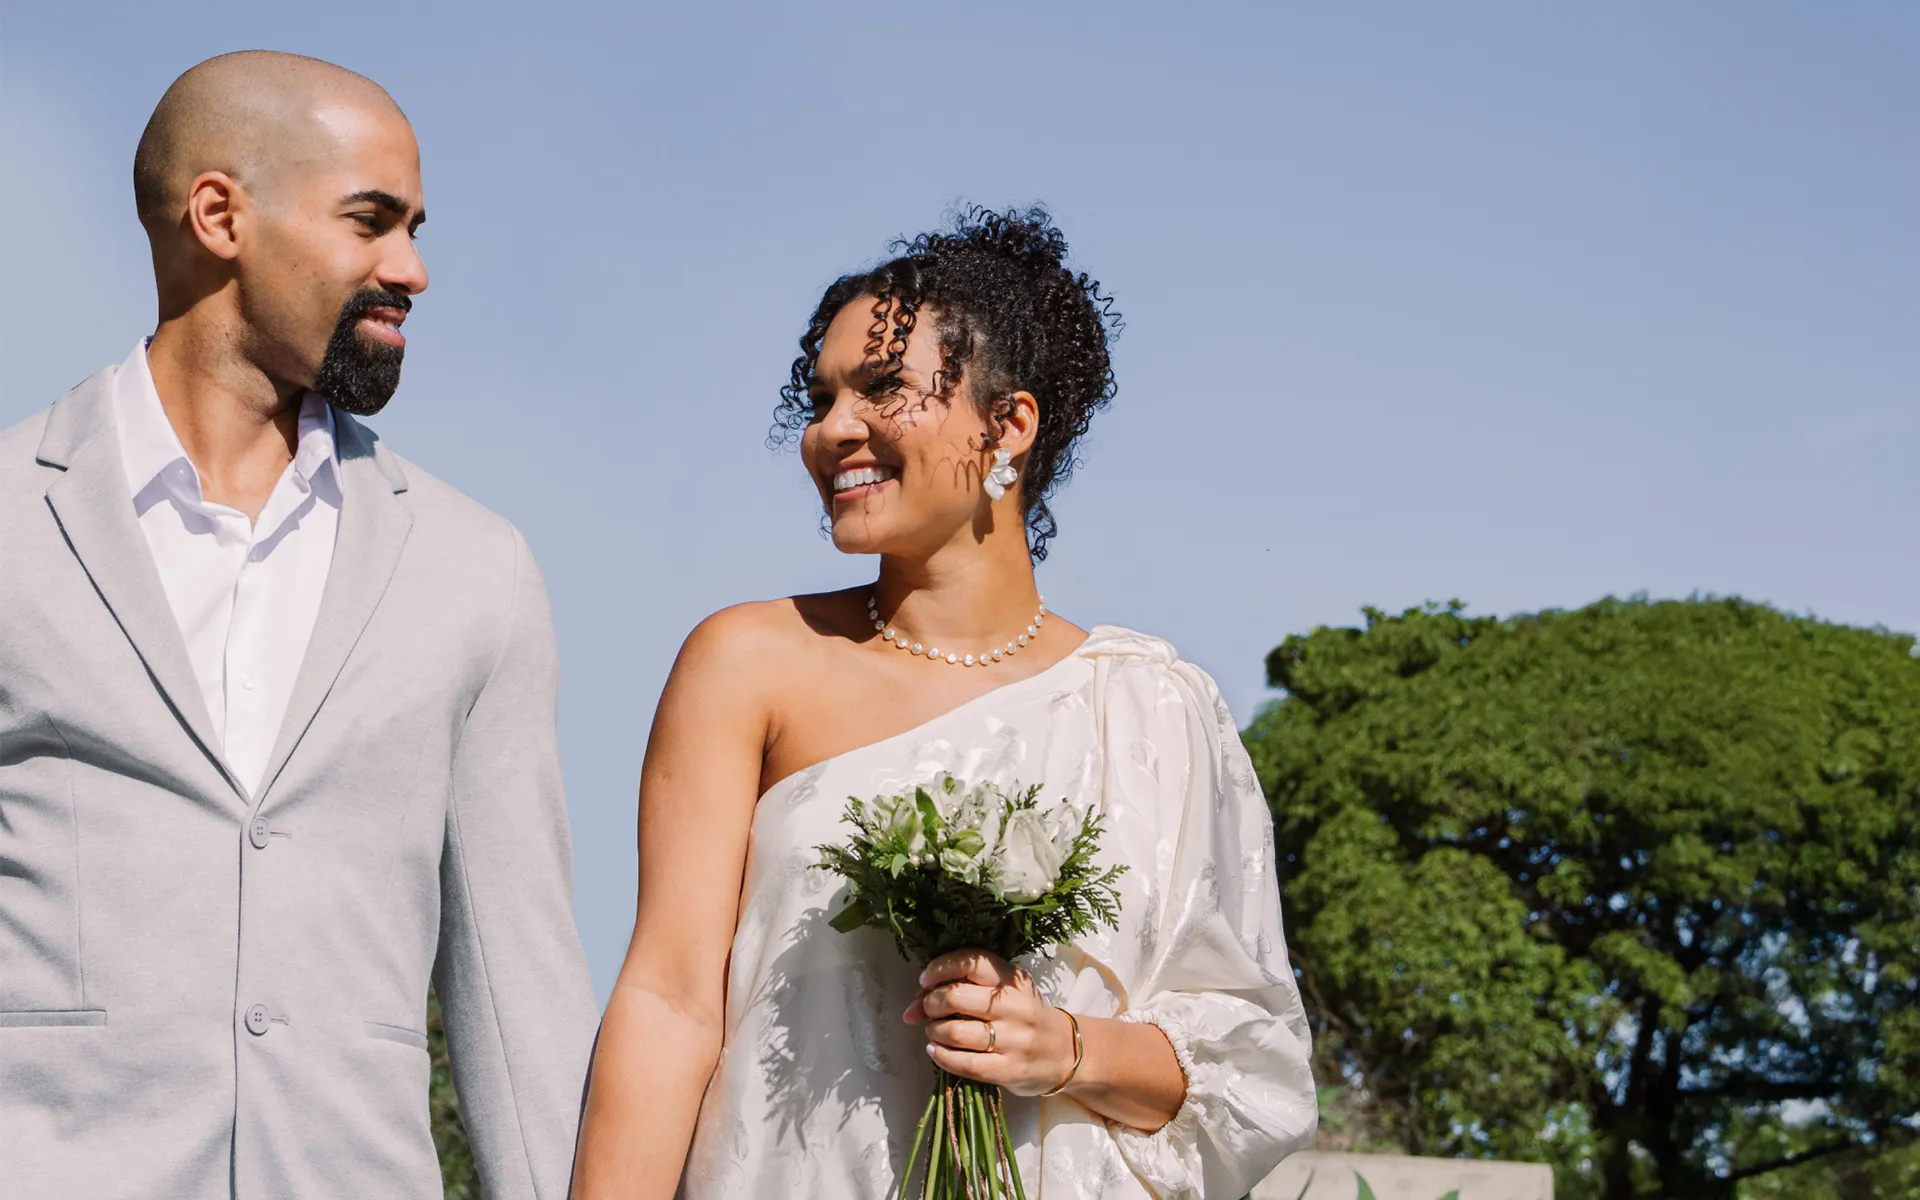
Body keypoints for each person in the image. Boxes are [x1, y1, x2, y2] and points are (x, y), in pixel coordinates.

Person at [573, 207, 1317, 1198]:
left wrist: (1065, 1048)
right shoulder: (747, 661)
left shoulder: (1155, 711)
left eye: (881, 389)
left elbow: (1250, 1072)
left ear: (1007, 426)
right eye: (822, 396)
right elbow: (668, 1003)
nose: (830, 430)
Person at [0, 51, 596, 1199]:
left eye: (416, 228)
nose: (412, 268)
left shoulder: (476, 568)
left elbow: (520, 997)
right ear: (219, 214)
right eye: (371, 221)